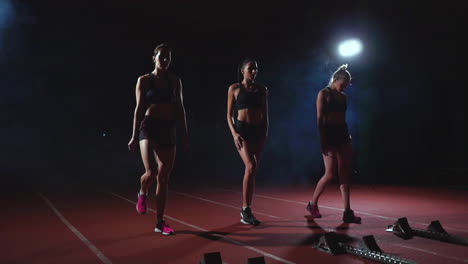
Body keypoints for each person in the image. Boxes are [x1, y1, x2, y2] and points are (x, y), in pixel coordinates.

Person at [128, 43, 189, 235]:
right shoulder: (144, 80)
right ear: (153, 58)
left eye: (168, 58)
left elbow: (180, 108)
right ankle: (143, 192)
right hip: (148, 126)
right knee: (152, 171)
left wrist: (184, 133)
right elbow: (138, 109)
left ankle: (160, 222)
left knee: (164, 177)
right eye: (161, 57)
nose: (164, 60)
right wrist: (133, 135)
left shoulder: (175, 81)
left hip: (168, 128)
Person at [306, 64, 361, 224]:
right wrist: (323, 139)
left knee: (344, 171)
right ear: (336, 79)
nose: (346, 87)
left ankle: (347, 211)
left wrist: (347, 136)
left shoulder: (344, 97)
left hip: (343, 134)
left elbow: (342, 119)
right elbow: (320, 119)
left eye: (348, 84)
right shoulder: (324, 93)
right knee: (330, 173)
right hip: (329, 135)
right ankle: (312, 204)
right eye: (344, 83)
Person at [226, 58, 269, 225]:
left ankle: (247, 209)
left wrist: (265, 134)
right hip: (242, 131)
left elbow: (266, 114)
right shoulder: (234, 89)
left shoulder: (262, 89)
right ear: (242, 70)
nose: (254, 71)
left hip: (258, 132)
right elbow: (228, 115)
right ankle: (246, 210)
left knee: (252, 169)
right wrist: (234, 134)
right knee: (250, 166)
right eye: (250, 69)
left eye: (256, 69)